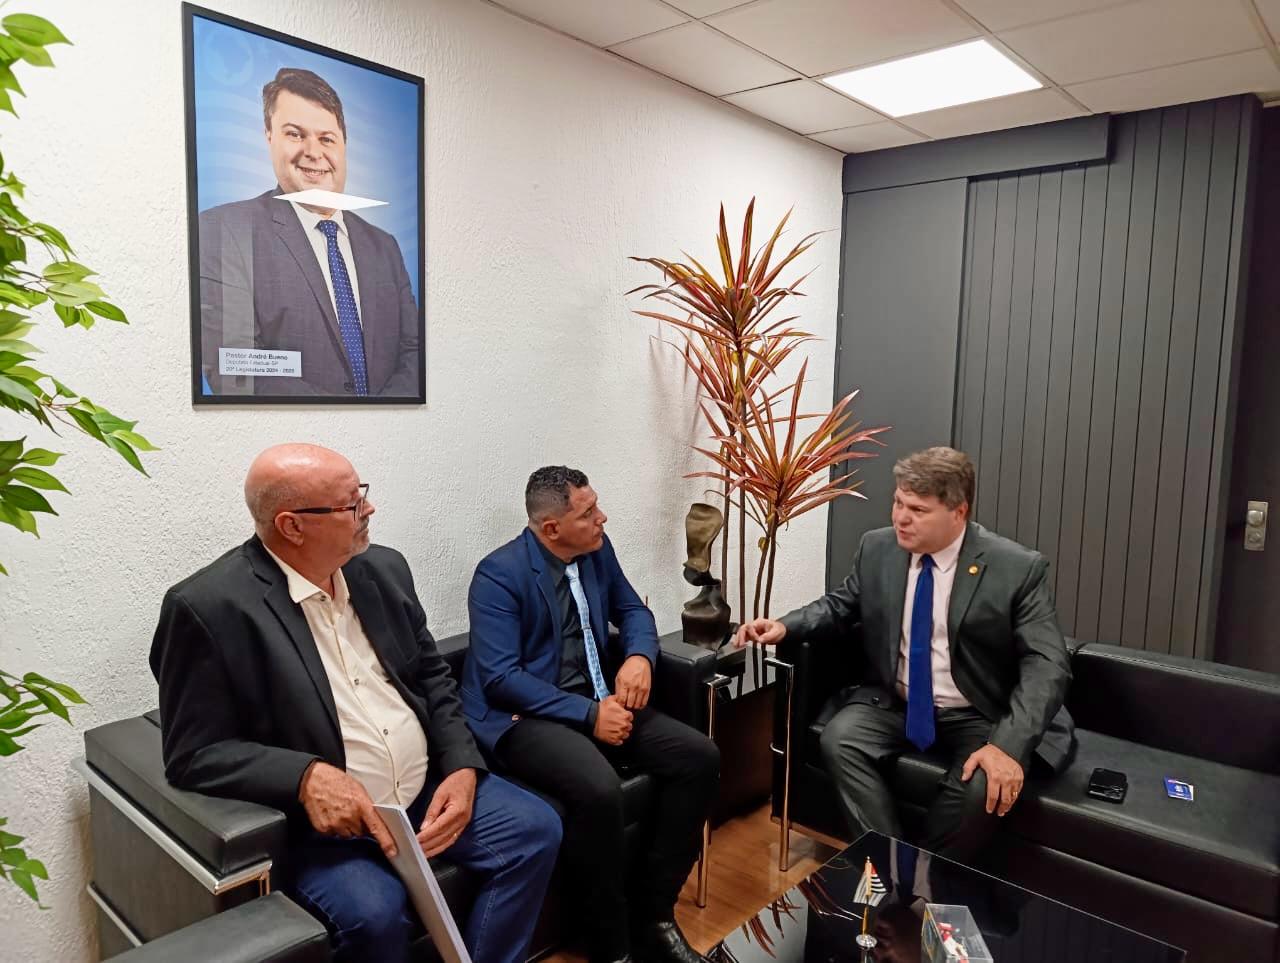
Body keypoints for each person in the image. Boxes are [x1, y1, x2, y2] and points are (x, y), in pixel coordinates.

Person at [150, 444, 560, 963]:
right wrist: (305, 776)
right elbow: (193, 753)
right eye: (351, 503)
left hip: (424, 789)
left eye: (361, 493)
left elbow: (432, 677)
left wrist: (461, 766)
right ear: (292, 526)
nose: (369, 508)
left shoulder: (383, 569)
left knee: (536, 830)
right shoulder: (208, 607)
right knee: (373, 915)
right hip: (329, 830)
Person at [736, 447, 1074, 864]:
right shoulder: (877, 547)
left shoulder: (1016, 568)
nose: (900, 517)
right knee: (841, 738)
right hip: (896, 702)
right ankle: (892, 868)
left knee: (982, 784)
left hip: (979, 709)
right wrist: (785, 626)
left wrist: (1007, 745)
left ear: (958, 512)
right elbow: (841, 604)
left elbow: (1047, 663)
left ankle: (920, 877)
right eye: (898, 502)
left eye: (918, 509)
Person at [463, 466, 720, 963]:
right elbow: (500, 678)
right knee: (599, 788)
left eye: (596, 505)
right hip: (523, 716)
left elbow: (633, 612)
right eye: (588, 512)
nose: (602, 517)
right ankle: (610, 946)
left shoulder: (596, 551)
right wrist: (587, 714)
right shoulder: (498, 575)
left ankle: (653, 916)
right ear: (551, 528)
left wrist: (640, 658)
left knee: (698, 757)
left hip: (599, 697)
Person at [198, 67, 420, 398]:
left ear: (344, 144)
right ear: (269, 136)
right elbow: (237, 372)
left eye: (326, 138)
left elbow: (414, 355)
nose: (314, 152)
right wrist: (348, 419)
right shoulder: (225, 231)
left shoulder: (384, 246)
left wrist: (382, 417)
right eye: (295, 134)